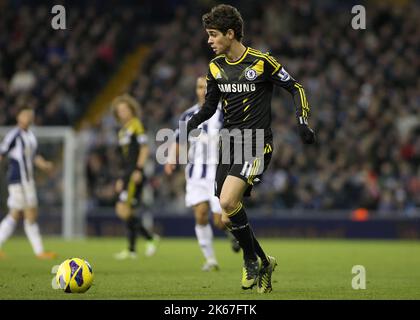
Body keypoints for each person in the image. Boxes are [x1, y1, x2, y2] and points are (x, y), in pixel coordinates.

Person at [186, 5, 315, 293]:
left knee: (229, 203)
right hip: (228, 145)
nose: (209, 41)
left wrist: (303, 122)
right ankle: (264, 261)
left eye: (213, 35)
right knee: (224, 216)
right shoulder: (214, 67)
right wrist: (191, 124)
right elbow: (209, 106)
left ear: (230, 34)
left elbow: (296, 87)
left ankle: (249, 260)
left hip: (256, 142)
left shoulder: (261, 61)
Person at [164, 76, 240, 272]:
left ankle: (233, 233)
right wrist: (172, 159)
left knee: (220, 220)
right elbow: (179, 140)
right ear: (196, 90)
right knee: (200, 214)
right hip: (196, 174)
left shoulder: (225, 113)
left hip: (219, 173)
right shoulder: (187, 115)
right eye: (199, 87)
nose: (203, 90)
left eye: (207, 87)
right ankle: (210, 260)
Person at [0, 106, 57, 259]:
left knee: (27, 213)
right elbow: (2, 153)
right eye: (25, 114)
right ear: (18, 116)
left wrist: (44, 165)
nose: (28, 117)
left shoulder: (31, 135)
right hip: (17, 179)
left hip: (28, 179)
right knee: (19, 213)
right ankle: (39, 251)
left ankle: (39, 251)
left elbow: (34, 156)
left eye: (30, 115)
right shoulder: (14, 135)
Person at [111, 94, 159, 260]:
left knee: (123, 209)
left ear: (132, 109)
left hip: (134, 173)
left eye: (125, 109)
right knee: (126, 210)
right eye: (119, 110)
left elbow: (144, 149)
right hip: (126, 174)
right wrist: (120, 178)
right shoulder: (122, 130)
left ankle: (150, 238)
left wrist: (139, 169)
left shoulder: (136, 125)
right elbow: (123, 158)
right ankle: (132, 250)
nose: (122, 112)